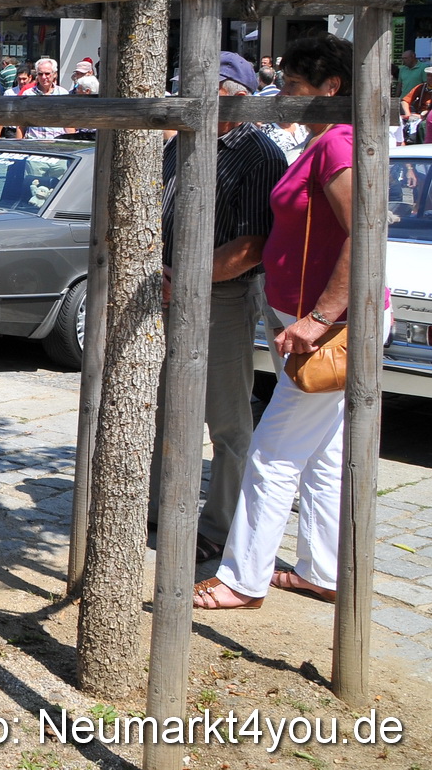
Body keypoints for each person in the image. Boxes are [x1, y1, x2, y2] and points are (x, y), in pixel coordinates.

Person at [194, 34, 356, 611]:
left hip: (326, 327)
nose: (280, 94)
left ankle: (242, 578)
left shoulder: (338, 145)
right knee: (322, 454)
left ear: (330, 88)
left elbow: (365, 237)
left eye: (292, 85)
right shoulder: (321, 143)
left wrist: (317, 318)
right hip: (312, 318)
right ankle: (323, 570)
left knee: (271, 454)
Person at [154, 53, 288, 563]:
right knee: (165, 408)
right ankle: (161, 508)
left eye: (205, 90)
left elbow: (253, 245)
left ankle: (221, 523)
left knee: (228, 420)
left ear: (236, 94)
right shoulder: (186, 141)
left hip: (222, 299)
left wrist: (186, 275)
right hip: (168, 292)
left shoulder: (259, 154)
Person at [23, 56, 70, 139]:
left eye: (47, 73)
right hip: (34, 142)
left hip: (58, 142)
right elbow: (21, 123)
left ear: (54, 74)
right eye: (40, 74)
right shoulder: (28, 94)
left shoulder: (63, 93)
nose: (44, 77)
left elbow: (68, 122)